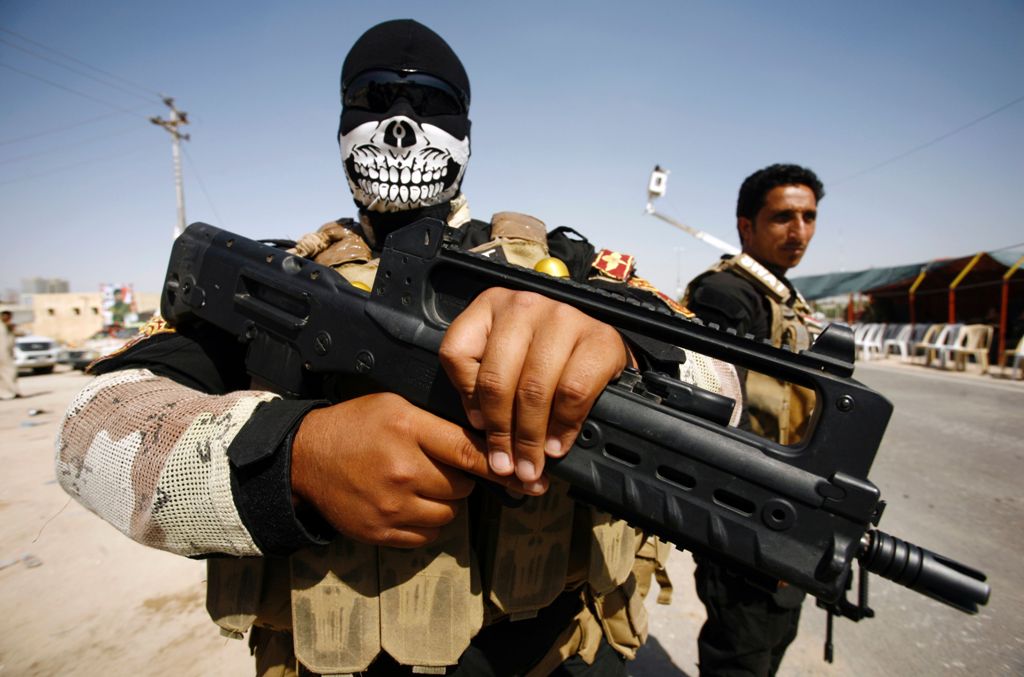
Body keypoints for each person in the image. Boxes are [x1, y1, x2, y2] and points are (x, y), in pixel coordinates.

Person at [56, 20, 738, 676]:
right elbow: (89, 432)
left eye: (432, 104)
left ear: (466, 133)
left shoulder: (565, 271)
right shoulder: (272, 288)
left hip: (554, 657)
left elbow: (724, 386)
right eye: (375, 100)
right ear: (341, 126)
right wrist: (296, 457)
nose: (402, 125)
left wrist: (615, 347)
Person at [682, 163, 824, 676]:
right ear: (747, 225)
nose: (799, 231)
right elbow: (716, 415)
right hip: (747, 509)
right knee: (741, 650)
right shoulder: (727, 295)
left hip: (787, 500)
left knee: (773, 637)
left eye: (809, 217)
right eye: (783, 217)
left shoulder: (781, 297)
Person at [0, 310, 20, 400]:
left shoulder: (10, 326)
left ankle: (13, 392)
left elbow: (22, 333)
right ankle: (5, 394)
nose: (6, 317)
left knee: (11, 373)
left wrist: (12, 328)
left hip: (7, 355)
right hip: (2, 355)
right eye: (4, 315)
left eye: (7, 315)